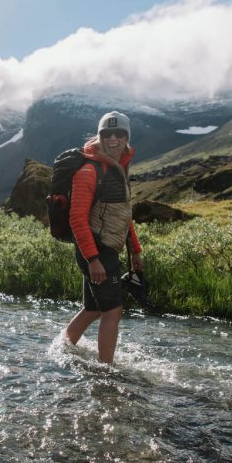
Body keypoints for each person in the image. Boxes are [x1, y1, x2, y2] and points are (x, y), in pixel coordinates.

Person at [64, 111, 143, 363]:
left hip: (105, 248)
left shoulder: (119, 168)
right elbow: (76, 218)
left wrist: (135, 250)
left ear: (126, 137)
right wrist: (93, 259)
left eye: (119, 134)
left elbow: (123, 215)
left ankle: (62, 348)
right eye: (106, 134)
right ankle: (106, 370)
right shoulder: (88, 170)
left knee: (93, 308)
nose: (113, 139)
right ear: (99, 136)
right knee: (113, 310)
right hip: (96, 250)